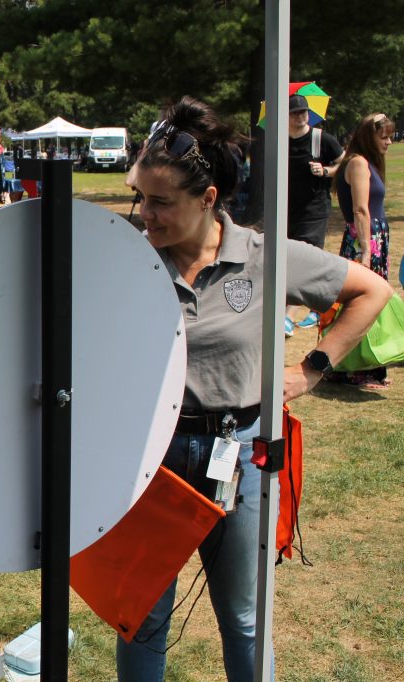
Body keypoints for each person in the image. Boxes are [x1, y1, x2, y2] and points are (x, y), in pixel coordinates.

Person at [121, 96, 390, 681]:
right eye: (140, 197)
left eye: (161, 202)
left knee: (243, 617)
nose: (146, 214)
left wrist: (312, 367)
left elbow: (373, 291)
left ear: (209, 200)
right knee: (141, 618)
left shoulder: (265, 260)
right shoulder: (126, 260)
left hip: (239, 454)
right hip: (151, 460)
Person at [332, 112, 396, 389]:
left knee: (372, 306)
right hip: (364, 241)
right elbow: (360, 210)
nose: (389, 142)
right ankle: (350, 370)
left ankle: (370, 368)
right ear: (368, 137)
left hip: (374, 240)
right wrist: (366, 251)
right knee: (358, 305)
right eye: (384, 137)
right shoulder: (357, 163)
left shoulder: (367, 162)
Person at [284, 93, 345, 336]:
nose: (300, 116)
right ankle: (319, 305)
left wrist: (327, 170)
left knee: (304, 258)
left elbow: (345, 163)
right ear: (285, 116)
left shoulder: (322, 139)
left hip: (315, 210)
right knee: (290, 259)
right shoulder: (279, 140)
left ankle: (287, 316)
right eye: (295, 112)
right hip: (287, 211)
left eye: (303, 112)